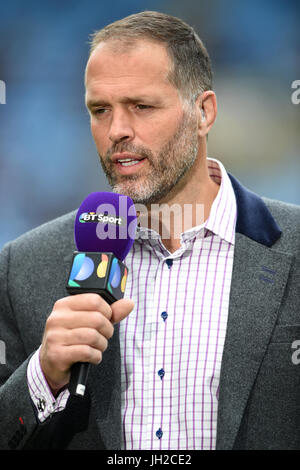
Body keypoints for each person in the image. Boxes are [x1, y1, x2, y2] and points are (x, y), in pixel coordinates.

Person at [0, 11, 300, 451]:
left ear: (203, 112)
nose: (117, 131)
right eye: (99, 110)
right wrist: (42, 374)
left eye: (141, 106)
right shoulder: (22, 268)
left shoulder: (292, 246)